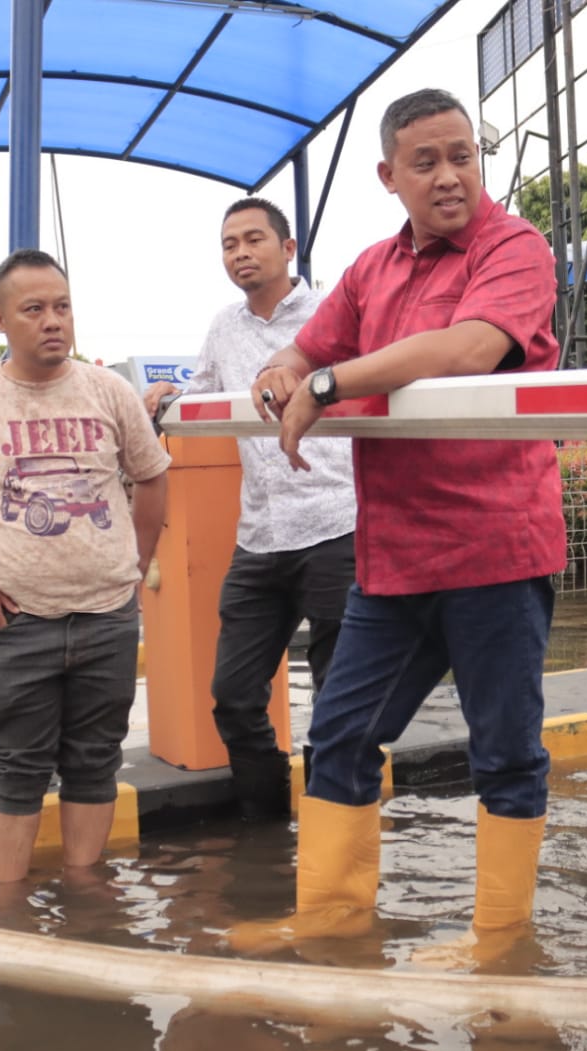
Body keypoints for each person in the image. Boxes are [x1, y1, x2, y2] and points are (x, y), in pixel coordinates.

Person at [226, 88, 565, 961]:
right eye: (426, 161)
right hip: (395, 556)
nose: (449, 176)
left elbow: (471, 347)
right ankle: (332, 919)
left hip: (496, 546)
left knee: (505, 751)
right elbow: (307, 346)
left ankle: (498, 939)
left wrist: (329, 384)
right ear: (389, 175)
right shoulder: (372, 269)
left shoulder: (514, 246)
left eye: (462, 155)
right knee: (338, 734)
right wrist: (282, 366)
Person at [0, 248, 170, 884]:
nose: (53, 321)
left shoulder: (110, 392)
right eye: (34, 310)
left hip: (107, 617)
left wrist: (138, 565)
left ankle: (84, 894)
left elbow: (152, 478)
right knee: (15, 771)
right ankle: (8, 908)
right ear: (0, 321)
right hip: (15, 624)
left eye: (62, 306)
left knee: (95, 763)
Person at [142, 198, 355, 822]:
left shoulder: (331, 313)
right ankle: (268, 834)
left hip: (335, 523)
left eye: (254, 239)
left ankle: (331, 825)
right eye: (229, 243)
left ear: (288, 249)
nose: (240, 252)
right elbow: (207, 394)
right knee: (233, 697)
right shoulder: (223, 327)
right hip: (260, 535)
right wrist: (169, 394)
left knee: (337, 697)